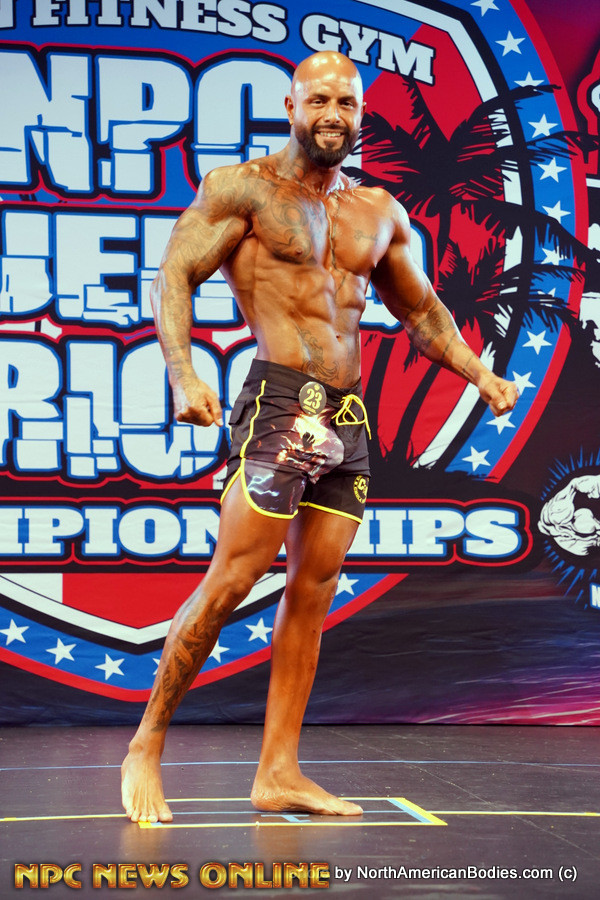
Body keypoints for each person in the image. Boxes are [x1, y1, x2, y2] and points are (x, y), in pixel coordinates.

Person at [121, 50, 519, 823]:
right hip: (279, 404)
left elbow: (422, 311)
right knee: (233, 581)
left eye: (347, 102)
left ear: (360, 113)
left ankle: (279, 773)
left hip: (347, 417)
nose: (334, 114)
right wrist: (184, 375)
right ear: (292, 106)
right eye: (320, 100)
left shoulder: (378, 210)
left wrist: (481, 375)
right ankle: (146, 745)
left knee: (313, 591)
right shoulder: (243, 190)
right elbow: (174, 274)